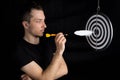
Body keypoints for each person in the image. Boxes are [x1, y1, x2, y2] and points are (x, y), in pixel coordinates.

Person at [13, 1, 68, 80]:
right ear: (26, 25)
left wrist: (40, 78)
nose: (45, 26)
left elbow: (64, 69)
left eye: (44, 20)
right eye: (39, 21)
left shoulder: (47, 42)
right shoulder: (19, 51)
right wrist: (59, 52)